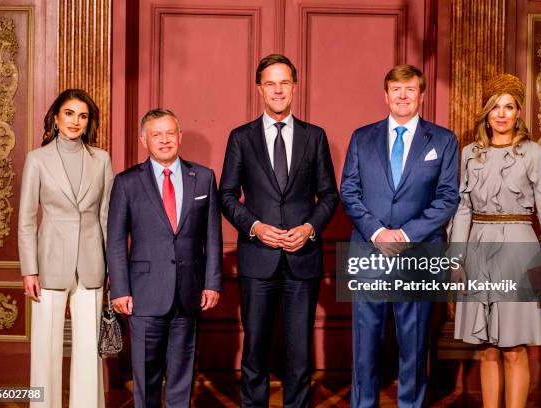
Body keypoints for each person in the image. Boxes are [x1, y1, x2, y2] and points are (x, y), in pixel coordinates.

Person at [219, 54, 338, 407]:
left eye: (284, 82)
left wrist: (309, 229)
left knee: (299, 349)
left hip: (303, 258)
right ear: (260, 89)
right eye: (270, 83)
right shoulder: (240, 138)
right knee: (255, 346)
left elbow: (330, 195)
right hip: (258, 258)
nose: (278, 89)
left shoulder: (315, 137)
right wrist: (254, 227)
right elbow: (226, 195)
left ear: (295, 87)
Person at [340, 64, 459, 407]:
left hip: (418, 254)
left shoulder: (443, 140)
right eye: (396, 89)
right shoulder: (362, 137)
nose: (403, 96)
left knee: (415, 344)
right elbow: (349, 191)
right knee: (364, 348)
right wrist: (377, 232)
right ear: (386, 95)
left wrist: (405, 234)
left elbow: (448, 196)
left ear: (421, 95)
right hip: (368, 253)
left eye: (410, 89)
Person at [448, 74, 541, 408]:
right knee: (486, 346)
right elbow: (462, 208)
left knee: (514, 348)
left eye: (509, 107)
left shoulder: (534, 153)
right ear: (486, 113)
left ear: (518, 113)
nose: (501, 114)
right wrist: (456, 259)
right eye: (495, 107)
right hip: (479, 247)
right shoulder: (470, 153)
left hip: (519, 249)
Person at [107, 109, 222, 408]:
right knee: (145, 375)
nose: (165, 140)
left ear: (180, 136)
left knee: (183, 374)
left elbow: (213, 236)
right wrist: (119, 289)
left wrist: (212, 284)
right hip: (144, 293)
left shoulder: (204, 178)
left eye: (170, 133)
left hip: (189, 291)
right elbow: (117, 241)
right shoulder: (126, 182)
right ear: (144, 140)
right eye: (156, 134)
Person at [18, 89, 113, 408]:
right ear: (56, 118)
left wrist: (111, 267)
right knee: (45, 348)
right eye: (69, 113)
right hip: (48, 265)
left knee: (89, 349)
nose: (75, 121)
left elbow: (107, 217)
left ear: (88, 123)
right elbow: (28, 219)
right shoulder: (37, 159)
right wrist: (29, 269)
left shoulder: (101, 160)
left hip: (91, 264)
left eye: (82, 116)